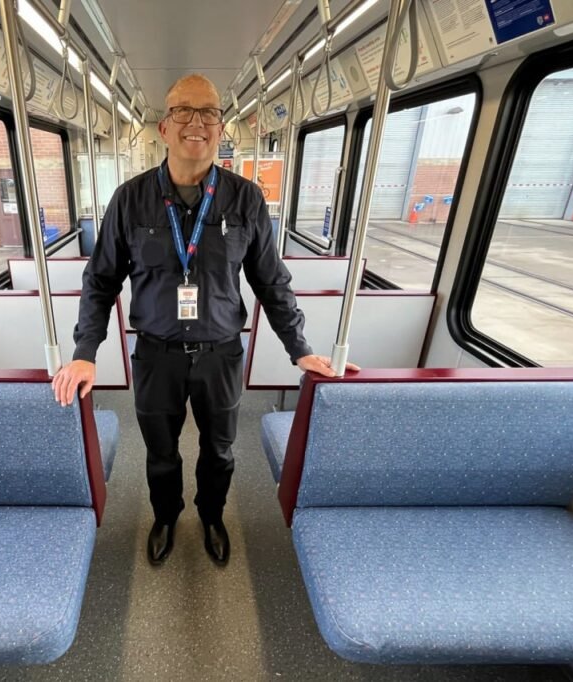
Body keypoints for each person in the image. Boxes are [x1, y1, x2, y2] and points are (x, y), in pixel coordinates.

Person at [52, 73, 357, 566]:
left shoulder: (246, 199)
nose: (197, 122)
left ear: (221, 127)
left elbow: (270, 281)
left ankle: (212, 515)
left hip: (220, 355)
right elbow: (100, 281)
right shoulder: (129, 200)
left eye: (209, 113)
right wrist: (84, 354)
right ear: (163, 127)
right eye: (183, 112)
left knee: (219, 452)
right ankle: (167, 515)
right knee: (160, 453)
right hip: (156, 354)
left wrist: (299, 348)